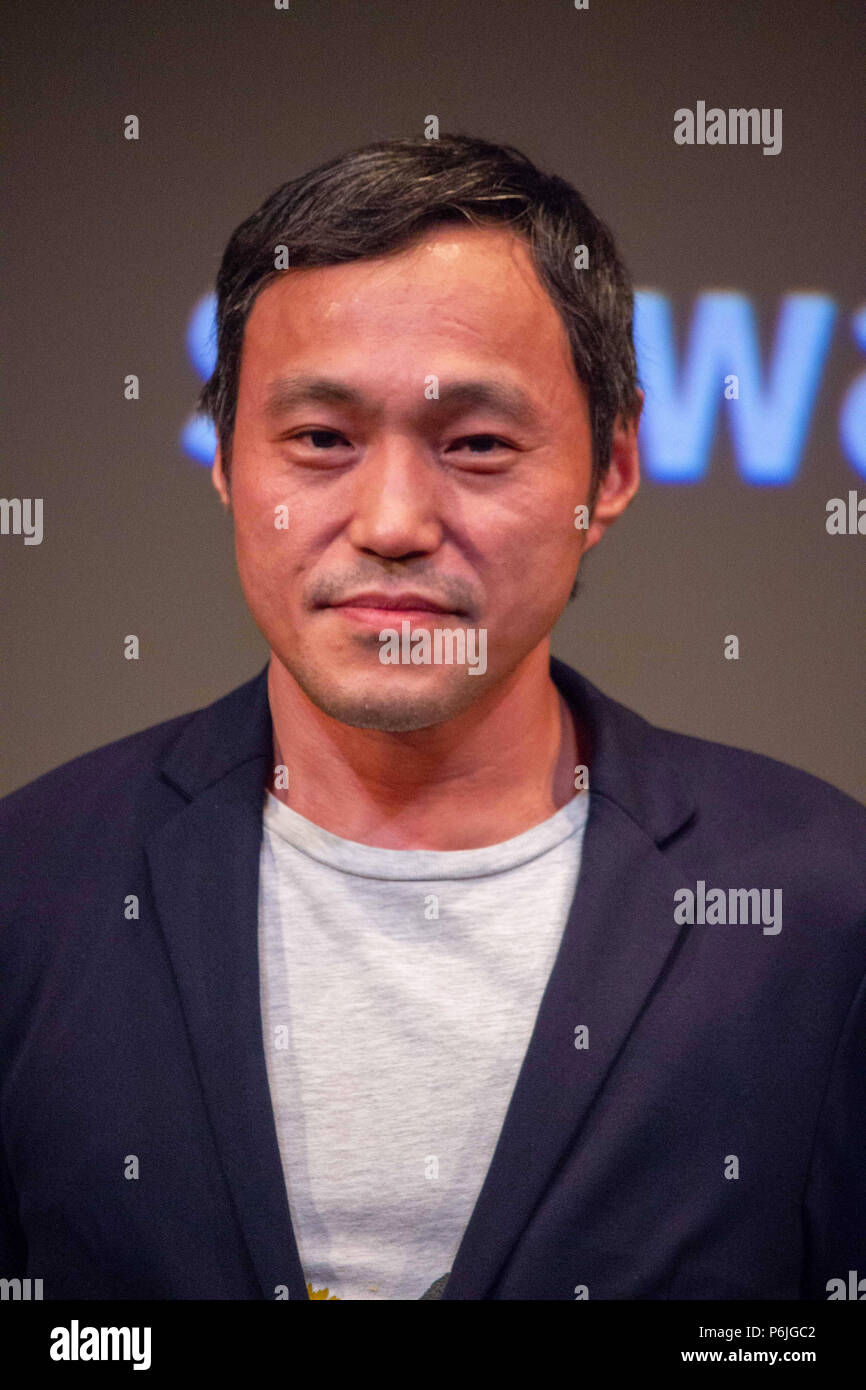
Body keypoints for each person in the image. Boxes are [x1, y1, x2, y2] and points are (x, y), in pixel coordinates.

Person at [1, 134, 864, 1302]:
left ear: (607, 474)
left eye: (474, 445)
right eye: (319, 440)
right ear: (223, 461)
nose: (394, 519)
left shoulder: (820, 905)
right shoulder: (32, 886)